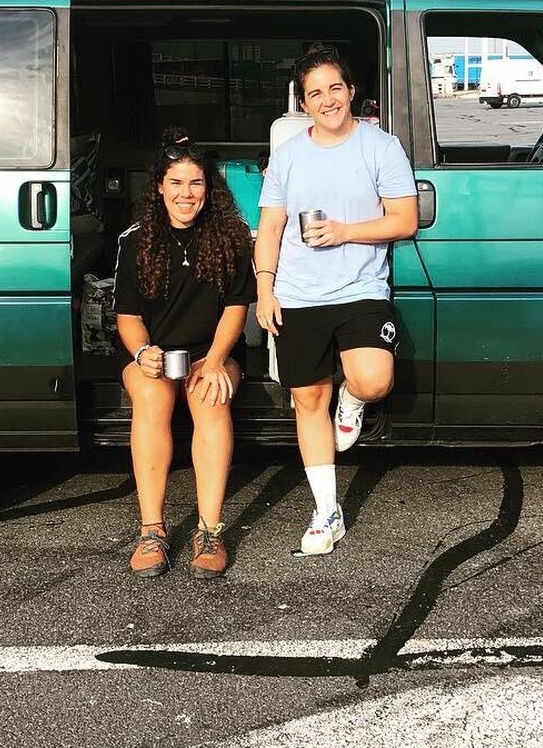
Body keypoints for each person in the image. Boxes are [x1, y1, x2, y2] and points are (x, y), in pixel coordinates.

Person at [254, 45, 418, 556]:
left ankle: (352, 403)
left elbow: (404, 221)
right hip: (298, 295)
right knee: (307, 400)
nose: (327, 100)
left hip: (360, 289)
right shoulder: (288, 155)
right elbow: (271, 226)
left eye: (334, 88)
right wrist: (264, 288)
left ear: (351, 91)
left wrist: (345, 232)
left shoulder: (380, 146)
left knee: (373, 378)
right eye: (314, 93)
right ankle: (327, 512)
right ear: (304, 103)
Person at [114, 131, 255, 578]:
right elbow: (128, 316)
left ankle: (209, 531)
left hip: (210, 351)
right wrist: (141, 353)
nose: (186, 193)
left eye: (195, 183)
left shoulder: (230, 236)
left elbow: (237, 308)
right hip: (154, 356)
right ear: (159, 186)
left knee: (210, 396)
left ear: (208, 189)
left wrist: (214, 360)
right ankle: (151, 531)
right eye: (176, 183)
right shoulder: (135, 240)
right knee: (153, 398)